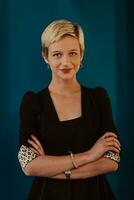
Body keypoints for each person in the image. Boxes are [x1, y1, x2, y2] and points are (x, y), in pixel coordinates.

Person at [18, 19, 121, 200]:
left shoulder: (98, 97)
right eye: (57, 54)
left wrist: (51, 168)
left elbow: (111, 161)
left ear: (81, 54)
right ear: (45, 56)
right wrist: (90, 155)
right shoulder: (32, 102)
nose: (66, 62)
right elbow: (29, 165)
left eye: (72, 53)